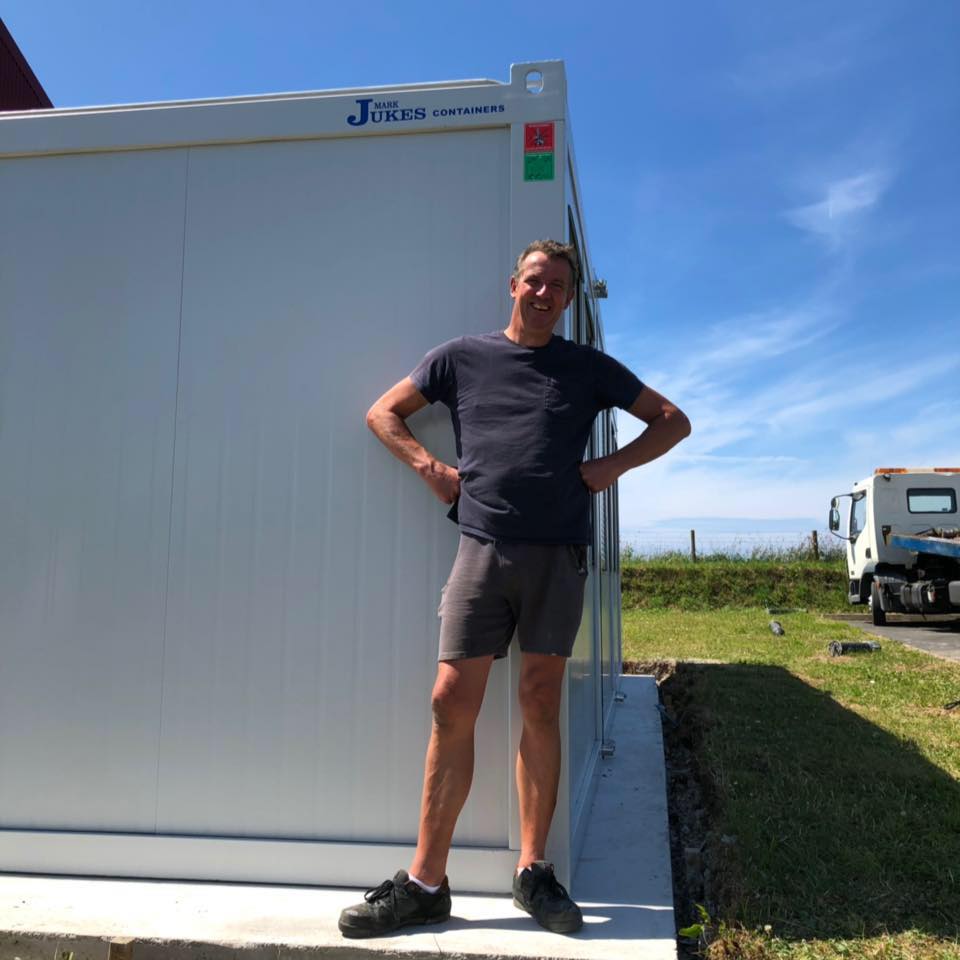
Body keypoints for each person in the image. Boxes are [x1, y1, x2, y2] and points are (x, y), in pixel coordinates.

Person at [338, 240, 690, 939]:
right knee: (449, 700)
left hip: (558, 553)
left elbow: (673, 421)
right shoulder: (460, 357)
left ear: (567, 298)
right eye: (535, 280)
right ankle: (425, 882)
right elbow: (383, 413)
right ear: (513, 284)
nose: (545, 293)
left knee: (539, 699)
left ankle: (534, 872)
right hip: (482, 548)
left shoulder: (586, 367)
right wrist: (429, 467)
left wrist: (606, 469)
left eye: (558, 286)